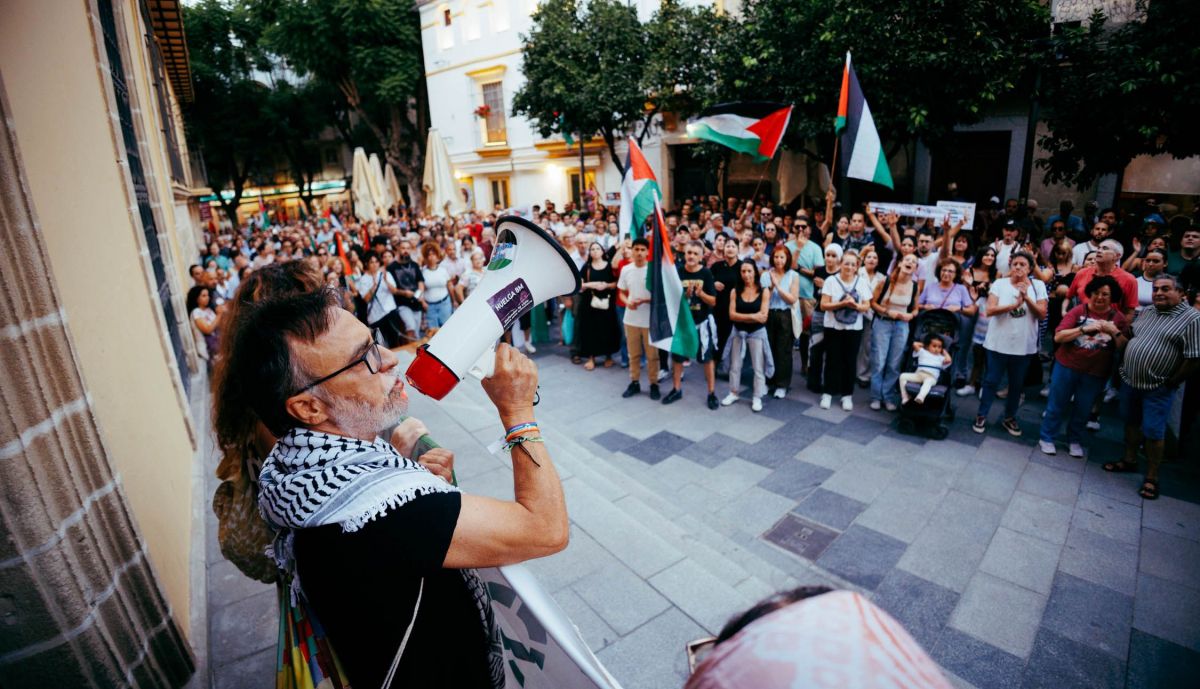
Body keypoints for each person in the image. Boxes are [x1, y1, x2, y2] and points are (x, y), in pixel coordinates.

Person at [228, 290, 567, 688]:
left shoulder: (293, 467)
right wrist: (518, 411)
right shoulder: (385, 511)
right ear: (308, 408)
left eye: (375, 342)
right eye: (365, 358)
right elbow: (546, 528)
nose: (390, 358)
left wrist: (411, 478)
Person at [1105, 275, 1200, 500]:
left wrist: (1172, 382)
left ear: (1181, 293)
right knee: (1130, 422)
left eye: (1165, 289)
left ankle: (1152, 477)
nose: (1158, 293)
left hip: (1158, 387)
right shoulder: (1148, 312)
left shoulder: (1192, 319)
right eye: (1156, 289)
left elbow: (1194, 358)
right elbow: (1132, 336)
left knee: (1154, 432)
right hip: (1130, 381)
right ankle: (1129, 460)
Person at [1038, 276, 1129, 458]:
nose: (1100, 297)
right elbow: (1058, 336)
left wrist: (1114, 331)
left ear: (1112, 297)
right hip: (1067, 366)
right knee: (1056, 403)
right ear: (1089, 293)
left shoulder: (1118, 318)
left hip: (1095, 372)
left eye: (1105, 294)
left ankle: (1074, 440)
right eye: (1096, 293)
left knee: (1083, 408)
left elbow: (1124, 347)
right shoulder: (1079, 310)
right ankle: (1047, 437)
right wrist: (1083, 329)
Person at [973, 252, 1048, 436]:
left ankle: (1009, 417)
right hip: (997, 344)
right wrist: (1013, 306)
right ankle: (982, 415)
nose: (1018, 267)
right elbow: (990, 310)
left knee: (1016, 385)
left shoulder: (1038, 286)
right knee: (991, 381)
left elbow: (1042, 314)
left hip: (1023, 346)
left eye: (1023, 264)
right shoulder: (1000, 283)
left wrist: (1026, 298)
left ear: (1030, 268)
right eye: (1015, 264)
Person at [663, 241, 720, 410]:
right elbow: (672, 299)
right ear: (684, 254)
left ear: (701, 256)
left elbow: (713, 301)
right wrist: (685, 296)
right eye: (689, 252)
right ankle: (676, 389)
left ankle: (711, 393)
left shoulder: (706, 273)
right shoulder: (678, 272)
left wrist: (701, 294)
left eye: (695, 253)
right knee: (678, 357)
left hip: (702, 323)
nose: (691, 256)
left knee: (707, 358)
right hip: (683, 323)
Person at [819, 251, 873, 410]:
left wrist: (855, 306)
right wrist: (842, 304)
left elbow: (867, 305)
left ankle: (847, 395)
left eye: (853, 264)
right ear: (840, 264)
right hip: (832, 326)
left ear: (857, 267)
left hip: (854, 327)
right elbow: (823, 305)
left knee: (850, 361)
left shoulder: (862, 282)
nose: (849, 267)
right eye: (846, 263)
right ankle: (828, 393)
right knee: (832, 359)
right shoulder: (831, 280)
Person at [869, 254, 919, 411]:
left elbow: (916, 308)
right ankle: (876, 397)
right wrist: (886, 311)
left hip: (902, 325)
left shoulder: (915, 286)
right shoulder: (885, 281)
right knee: (879, 361)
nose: (910, 263)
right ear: (900, 263)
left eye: (914, 262)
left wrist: (911, 315)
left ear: (916, 268)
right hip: (883, 323)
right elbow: (872, 303)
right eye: (907, 260)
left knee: (894, 364)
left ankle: (888, 397)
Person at [722, 260, 771, 411]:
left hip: (757, 332)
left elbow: (763, 317)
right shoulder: (735, 291)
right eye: (743, 271)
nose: (746, 274)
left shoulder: (764, 291)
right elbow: (731, 315)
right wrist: (753, 316)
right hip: (738, 331)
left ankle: (757, 396)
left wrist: (743, 317)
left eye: (749, 271)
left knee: (758, 367)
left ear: (755, 272)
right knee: (735, 365)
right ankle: (733, 392)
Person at [618, 238, 660, 400]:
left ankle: (654, 383)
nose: (640, 253)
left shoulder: (653, 270)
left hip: (650, 320)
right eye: (636, 249)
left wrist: (645, 300)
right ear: (632, 250)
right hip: (631, 319)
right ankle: (634, 382)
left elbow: (660, 295)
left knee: (652, 356)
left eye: (643, 250)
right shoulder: (626, 269)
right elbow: (621, 292)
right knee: (633, 354)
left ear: (648, 252)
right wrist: (627, 302)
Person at [576, 241, 621, 370]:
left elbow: (616, 283)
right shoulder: (587, 267)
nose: (595, 251)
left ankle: (608, 356)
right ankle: (591, 358)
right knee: (591, 330)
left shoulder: (610, 266)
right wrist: (593, 285)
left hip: (607, 302)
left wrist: (606, 285)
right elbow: (580, 284)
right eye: (592, 249)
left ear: (602, 251)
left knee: (608, 328)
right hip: (590, 303)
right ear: (590, 252)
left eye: (597, 249)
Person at [1066, 239, 1138, 317]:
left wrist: (1117, 325)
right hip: (1081, 320)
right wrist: (1065, 312)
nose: (1099, 251)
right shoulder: (1082, 273)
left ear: (1117, 256)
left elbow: (1129, 313)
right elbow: (1068, 297)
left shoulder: (1129, 280)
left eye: (1105, 248)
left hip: (1110, 322)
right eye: (1098, 248)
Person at [764, 245, 800, 398]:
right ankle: (768, 381)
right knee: (768, 348)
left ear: (787, 259)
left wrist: (777, 286)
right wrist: (771, 287)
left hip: (785, 314)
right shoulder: (766, 274)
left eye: (782, 257)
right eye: (776, 257)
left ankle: (782, 384)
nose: (779, 260)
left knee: (783, 350)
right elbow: (764, 298)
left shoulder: (793, 275)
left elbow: (792, 299)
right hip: (769, 313)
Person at [358, 253, 406, 347]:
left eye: (376, 262)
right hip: (376, 316)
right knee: (381, 345)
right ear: (367, 264)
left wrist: (385, 279)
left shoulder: (385, 274)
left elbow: (394, 291)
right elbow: (367, 299)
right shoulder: (363, 280)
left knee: (395, 341)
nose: (375, 264)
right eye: (371, 262)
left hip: (390, 311)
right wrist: (374, 285)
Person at [900, 334, 952, 405]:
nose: (937, 349)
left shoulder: (941, 357)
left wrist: (944, 352)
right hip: (919, 375)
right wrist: (925, 345)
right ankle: (905, 396)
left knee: (927, 383)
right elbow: (915, 344)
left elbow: (948, 360)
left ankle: (921, 397)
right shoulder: (922, 351)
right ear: (927, 346)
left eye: (939, 347)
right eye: (934, 346)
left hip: (931, 377)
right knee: (903, 376)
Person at [420, 242, 453, 332]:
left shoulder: (443, 270)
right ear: (425, 257)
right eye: (429, 255)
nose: (431, 257)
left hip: (444, 303)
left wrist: (453, 301)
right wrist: (423, 302)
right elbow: (420, 289)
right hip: (430, 306)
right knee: (433, 331)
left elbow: (449, 286)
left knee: (447, 328)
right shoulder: (422, 271)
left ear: (437, 256)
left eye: (433, 254)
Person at [188, 285, 219, 372]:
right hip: (208, 350)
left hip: (217, 346)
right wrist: (220, 315)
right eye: (204, 295)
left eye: (207, 295)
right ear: (196, 298)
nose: (207, 298)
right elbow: (207, 330)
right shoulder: (196, 312)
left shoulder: (209, 309)